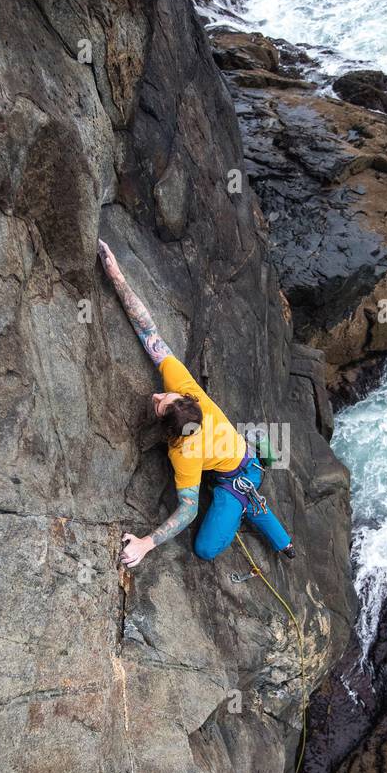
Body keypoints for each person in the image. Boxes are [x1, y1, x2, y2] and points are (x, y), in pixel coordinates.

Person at [98, 239, 295, 568]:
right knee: (248, 461)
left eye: (161, 402)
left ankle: (247, 505)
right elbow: (148, 332)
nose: (158, 395)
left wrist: (146, 543)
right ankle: (278, 533)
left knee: (205, 549)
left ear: (170, 433)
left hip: (234, 477)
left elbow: (188, 510)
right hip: (241, 449)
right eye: (165, 397)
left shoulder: (184, 453)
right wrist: (117, 277)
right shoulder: (187, 389)